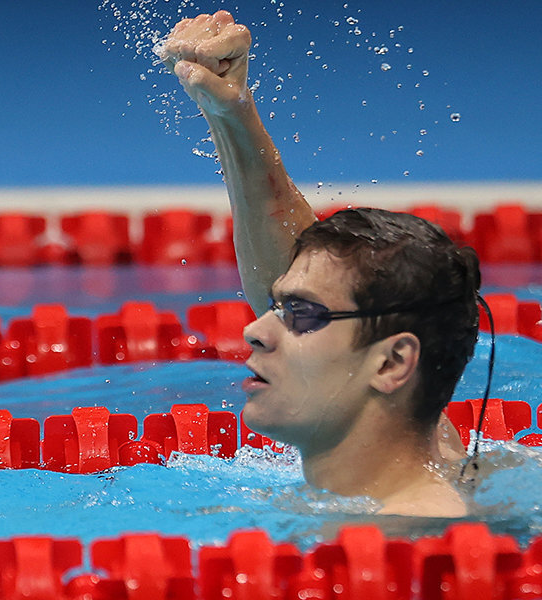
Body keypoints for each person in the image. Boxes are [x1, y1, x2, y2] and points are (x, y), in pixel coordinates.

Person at [158, 11, 482, 517]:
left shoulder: (409, 540)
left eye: (300, 315)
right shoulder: (427, 443)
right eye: (279, 307)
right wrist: (232, 119)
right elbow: (307, 271)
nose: (255, 330)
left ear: (392, 363)